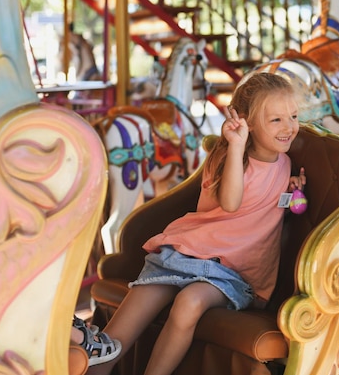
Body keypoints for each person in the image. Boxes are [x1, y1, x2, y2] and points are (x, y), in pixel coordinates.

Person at [86, 72, 305, 375]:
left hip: (233, 274)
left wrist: (295, 194)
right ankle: (97, 366)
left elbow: (285, 210)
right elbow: (231, 202)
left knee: (189, 302)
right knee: (135, 307)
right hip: (189, 254)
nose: (290, 127)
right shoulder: (229, 156)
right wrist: (238, 145)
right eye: (276, 120)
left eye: (293, 116)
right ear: (247, 123)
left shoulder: (286, 163)